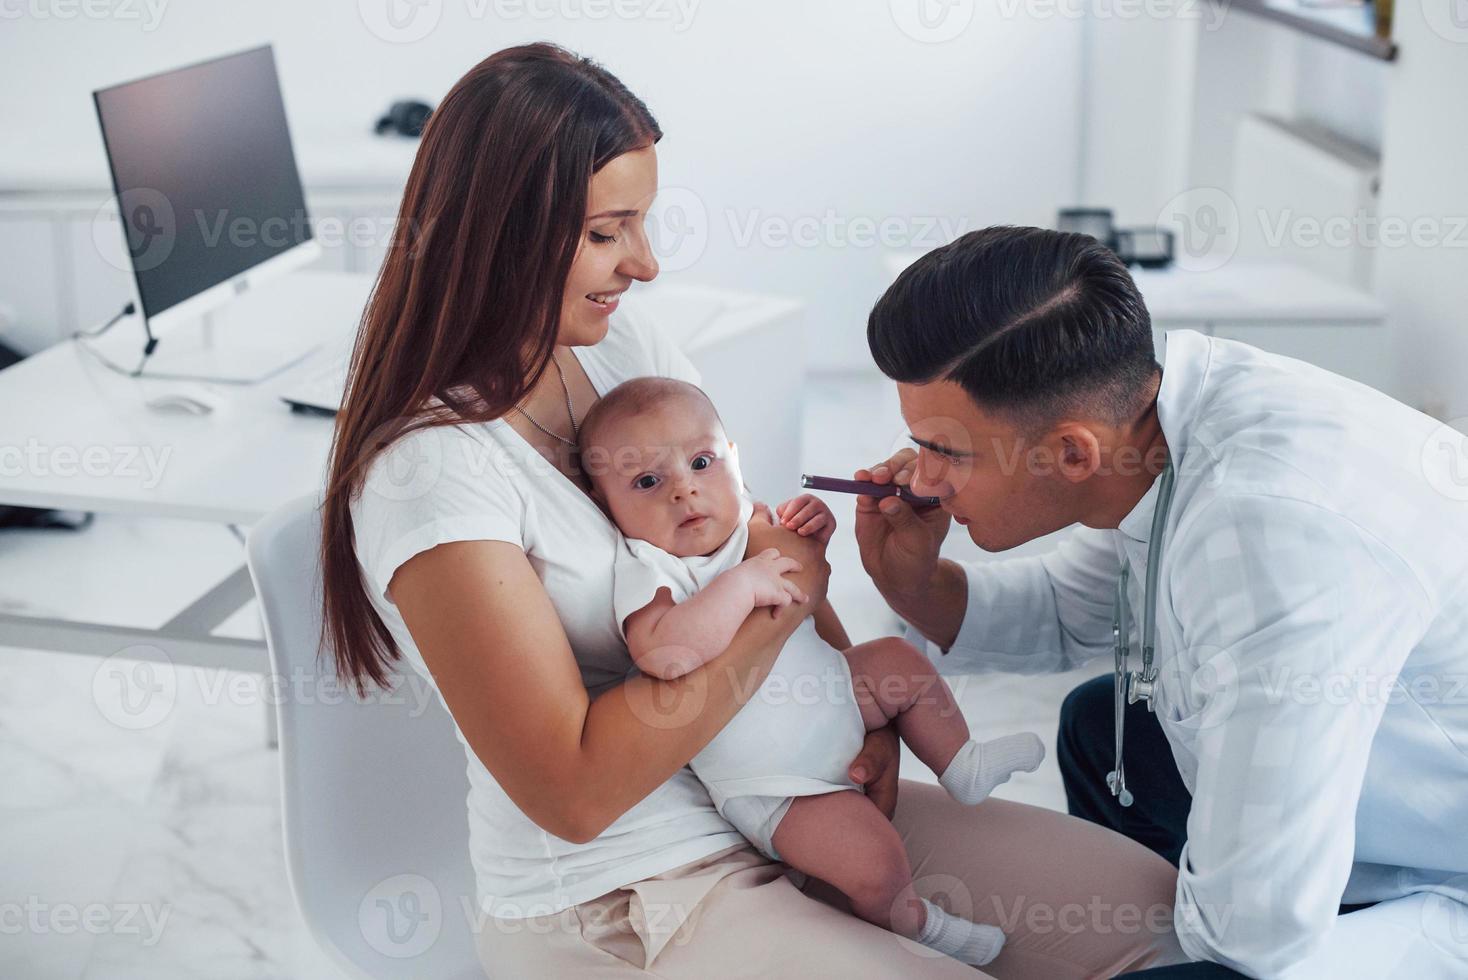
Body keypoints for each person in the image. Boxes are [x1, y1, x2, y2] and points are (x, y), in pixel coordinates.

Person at [319, 44, 1183, 978]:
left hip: (797, 796)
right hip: (628, 896)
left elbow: (750, 536)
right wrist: (774, 602)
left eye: (641, 224)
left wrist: (860, 707)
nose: (644, 264)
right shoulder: (434, 474)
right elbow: (576, 789)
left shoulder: (625, 349)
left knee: (1156, 920)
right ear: (502, 237)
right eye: (611, 233)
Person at [855, 225, 1468, 978]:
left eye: (946, 452)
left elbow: (1256, 933)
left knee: (1213, 965)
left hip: (1449, 872)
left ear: (1073, 453)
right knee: (1100, 725)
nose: (920, 481)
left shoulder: (1268, 535)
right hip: (1399, 783)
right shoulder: (1156, 412)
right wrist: (915, 582)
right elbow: (1064, 610)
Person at [578, 375, 1046, 966]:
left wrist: (812, 523)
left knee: (898, 662)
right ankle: (915, 920)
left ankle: (963, 762)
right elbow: (664, 653)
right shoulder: (648, 567)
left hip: (838, 693)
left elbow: (807, 578)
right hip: (779, 785)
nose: (684, 492)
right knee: (876, 859)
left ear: (733, 459)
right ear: (605, 505)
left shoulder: (748, 524)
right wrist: (743, 586)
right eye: (647, 481)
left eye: (701, 462)